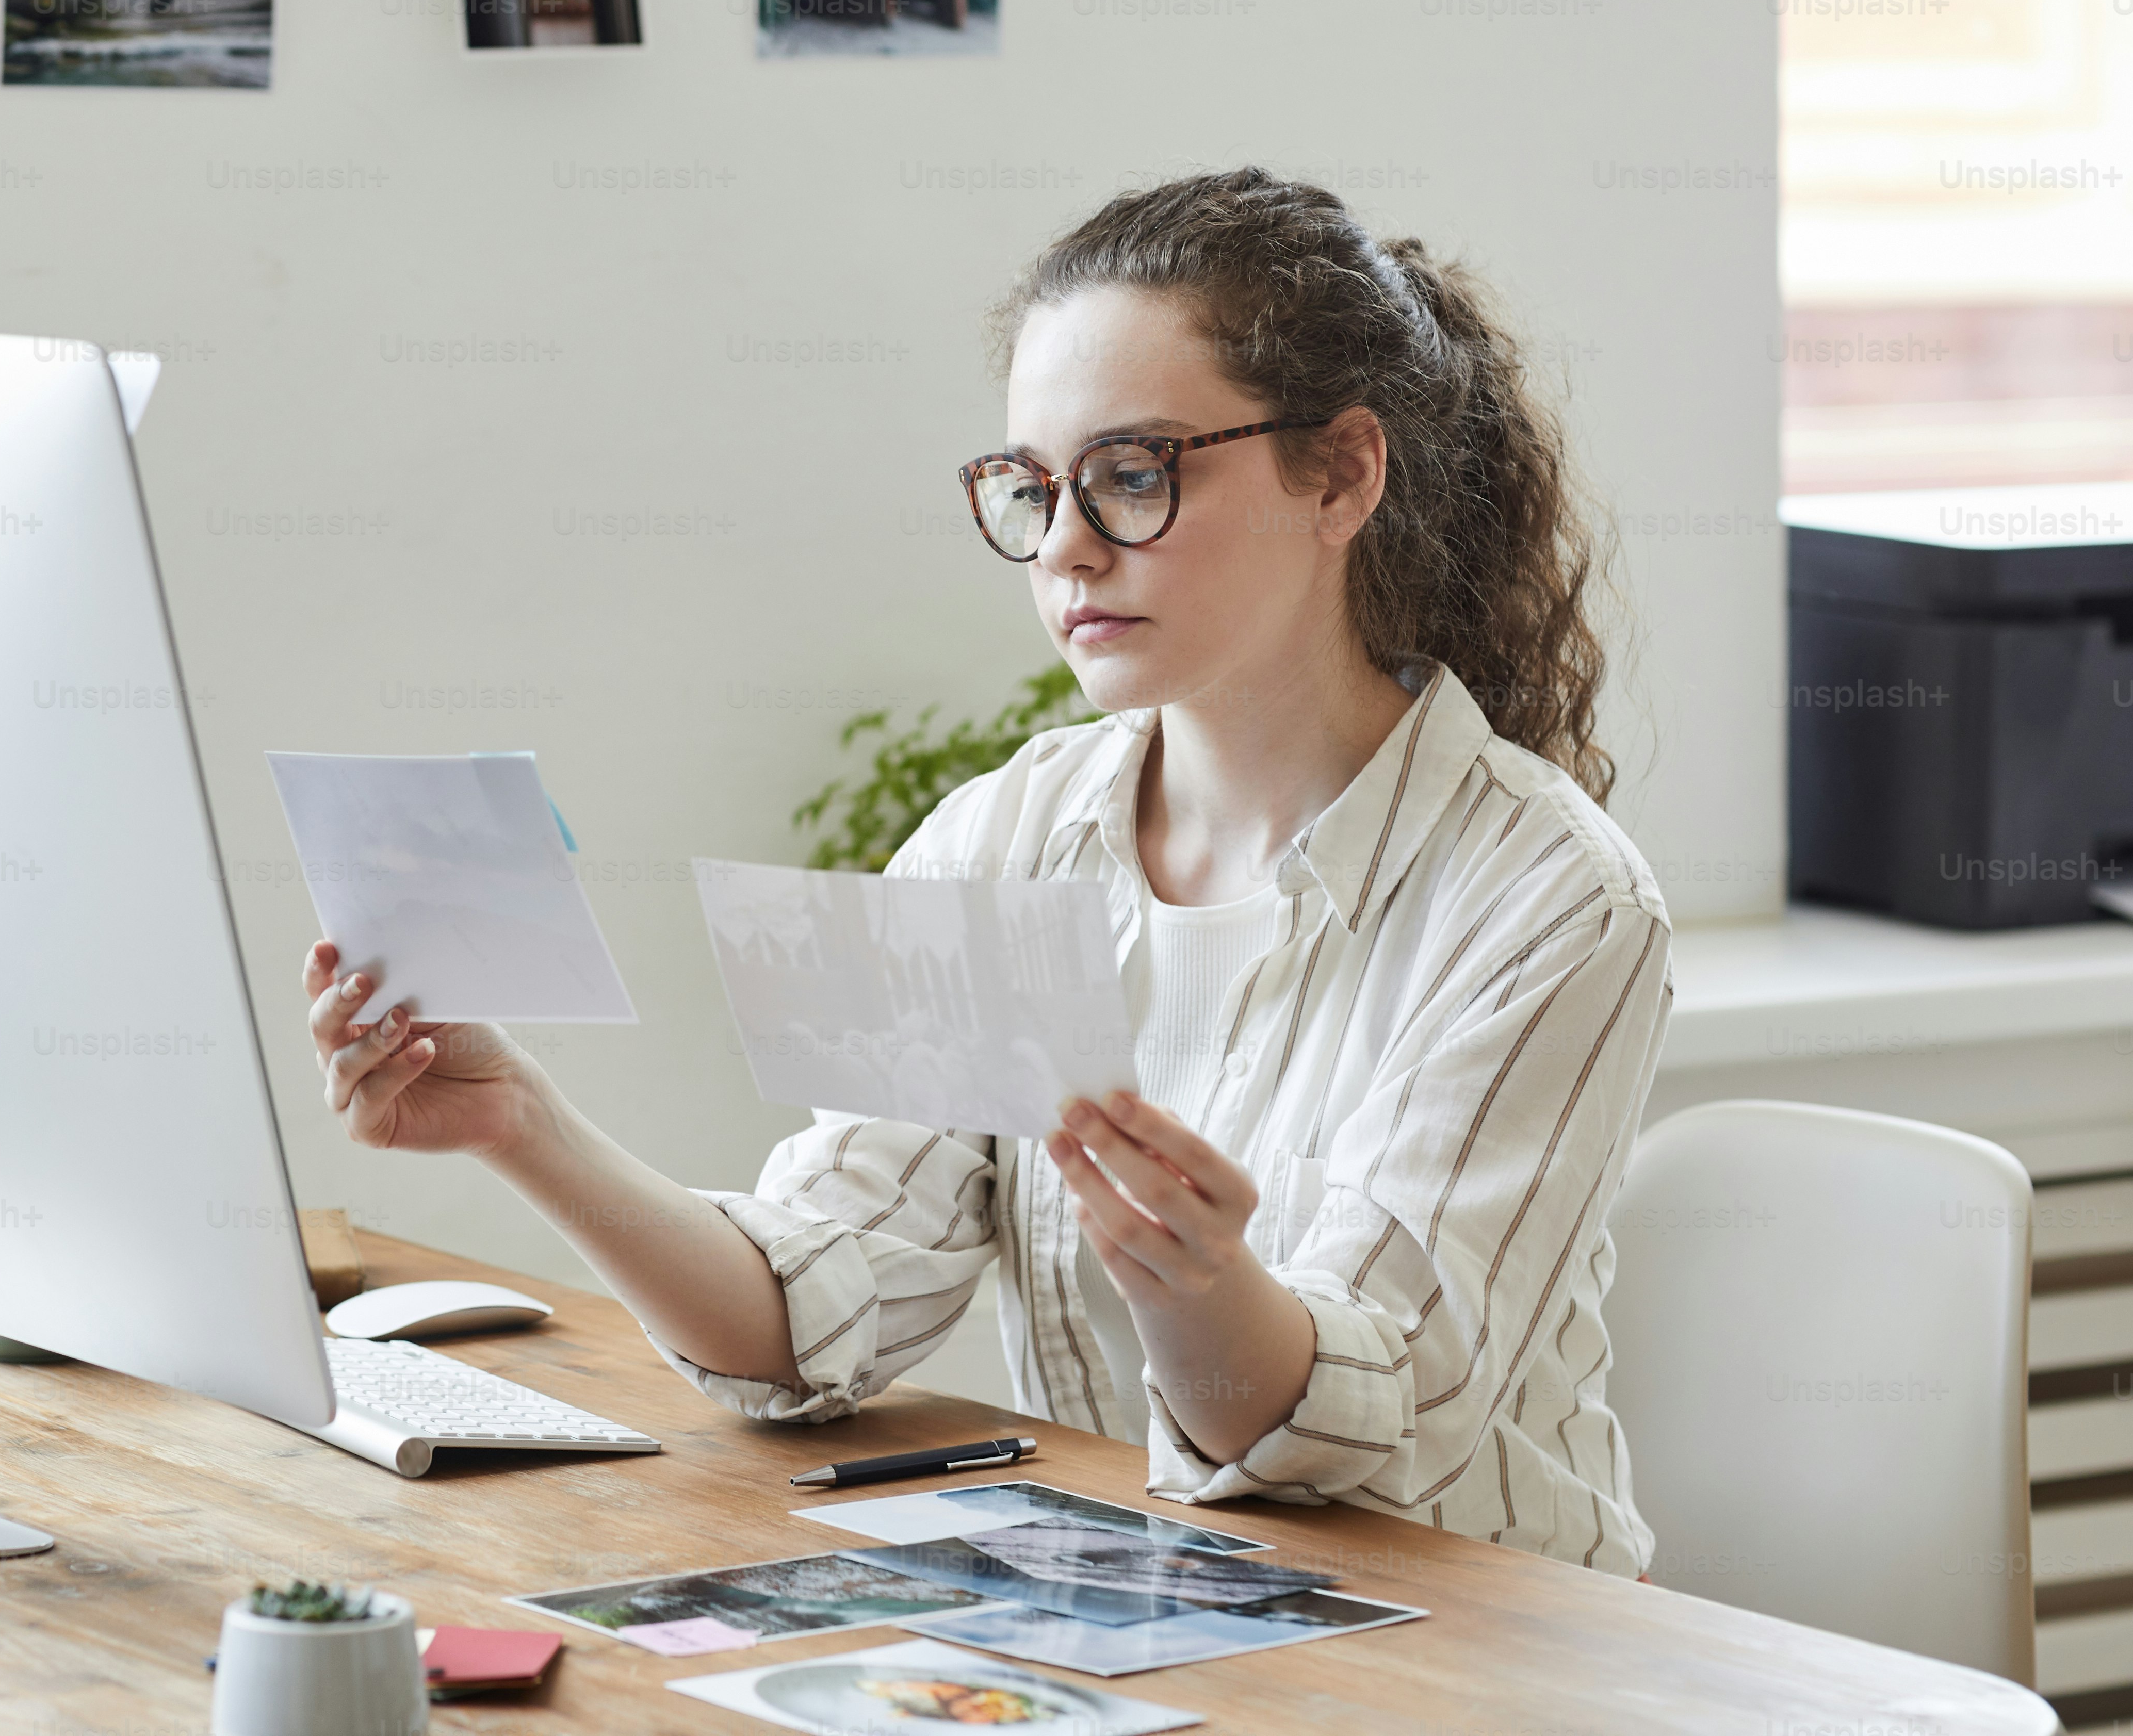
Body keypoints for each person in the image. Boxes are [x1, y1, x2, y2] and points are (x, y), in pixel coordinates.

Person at [303, 168, 1672, 1573]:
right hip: (1159, 1614)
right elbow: (815, 1309)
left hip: (1480, 1657)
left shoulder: (1550, 899)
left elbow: (1375, 1429)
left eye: (1135, 476)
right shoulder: (1000, 842)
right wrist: (515, 1121)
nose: (1066, 549)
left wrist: (1200, 1287)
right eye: (1033, 487)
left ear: (1342, 474)